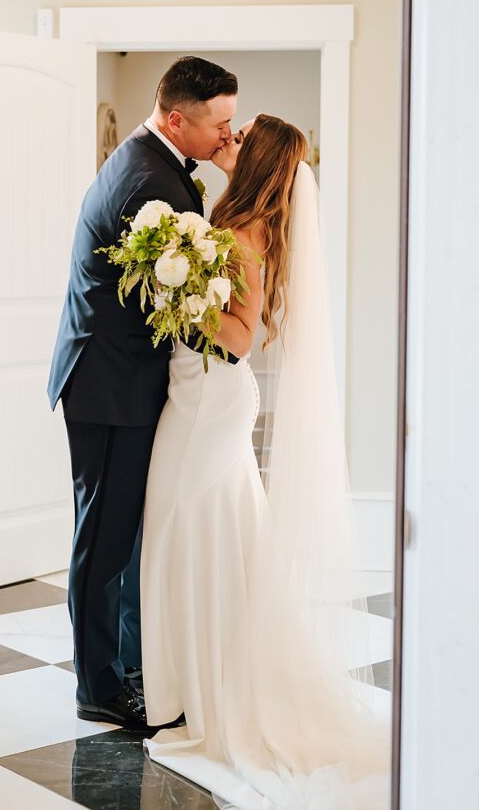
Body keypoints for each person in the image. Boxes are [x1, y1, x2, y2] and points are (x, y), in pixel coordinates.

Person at [140, 114, 389, 808]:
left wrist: (179, 296)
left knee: (185, 530)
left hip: (209, 403)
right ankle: (204, 679)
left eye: (242, 135)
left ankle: (208, 690)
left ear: (258, 159)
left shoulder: (239, 235)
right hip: (201, 400)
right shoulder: (234, 216)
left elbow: (239, 339)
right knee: (211, 533)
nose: (231, 135)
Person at [47, 56, 238, 729]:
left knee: (121, 536)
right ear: (177, 118)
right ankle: (98, 686)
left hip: (124, 382)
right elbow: (183, 303)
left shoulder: (157, 167)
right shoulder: (147, 186)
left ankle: (128, 664)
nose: (227, 137)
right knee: (103, 541)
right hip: (109, 387)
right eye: (220, 124)